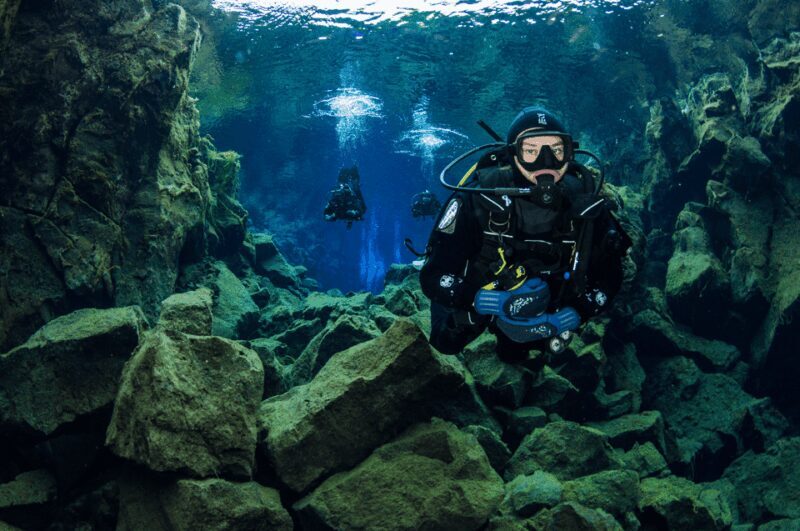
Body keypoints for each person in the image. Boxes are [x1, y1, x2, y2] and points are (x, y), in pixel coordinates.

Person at [420, 106, 631, 365]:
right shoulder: (477, 200)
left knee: (522, 354)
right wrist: (476, 299)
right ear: (512, 155)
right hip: (483, 296)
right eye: (531, 151)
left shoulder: (585, 205)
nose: (546, 163)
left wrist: (579, 311)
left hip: (552, 305)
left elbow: (612, 275)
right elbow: (432, 276)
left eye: (555, 150)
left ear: (569, 153)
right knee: (445, 341)